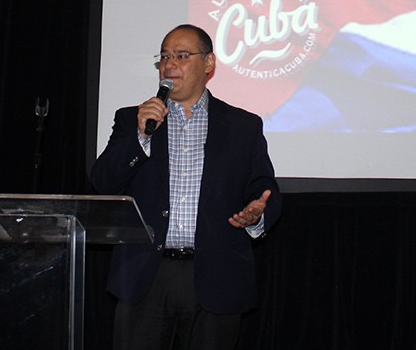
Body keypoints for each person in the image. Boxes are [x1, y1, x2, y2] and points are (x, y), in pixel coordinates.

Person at [90, 24, 282, 350]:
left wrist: (256, 213)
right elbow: (103, 182)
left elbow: (263, 187)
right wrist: (140, 137)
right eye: (164, 57)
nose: (169, 65)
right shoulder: (132, 120)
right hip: (146, 275)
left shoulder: (242, 126)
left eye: (181, 56)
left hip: (216, 275)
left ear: (208, 63)